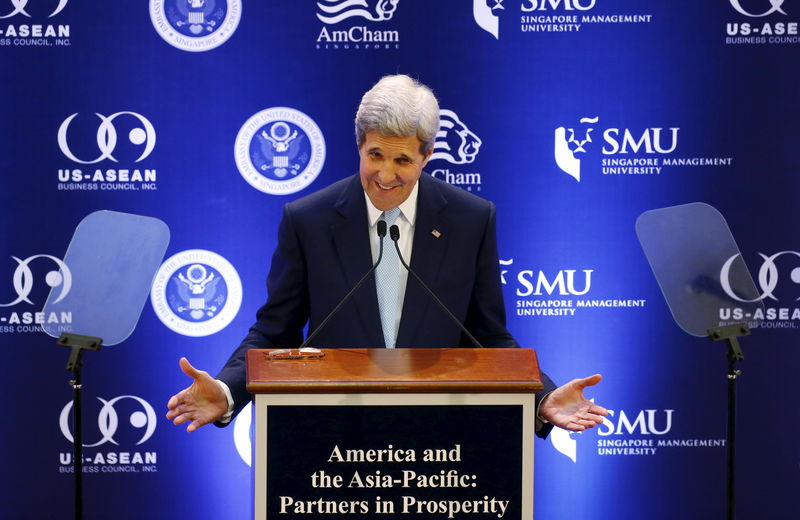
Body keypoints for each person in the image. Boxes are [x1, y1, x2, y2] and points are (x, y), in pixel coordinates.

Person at [167, 74, 607, 436]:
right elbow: (275, 331)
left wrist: (543, 397)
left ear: (427, 156)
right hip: (332, 433)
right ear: (359, 146)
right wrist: (226, 391)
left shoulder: (471, 220)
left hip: (440, 437)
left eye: (402, 161)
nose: (385, 174)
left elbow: (487, 336)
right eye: (374, 155)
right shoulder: (309, 221)